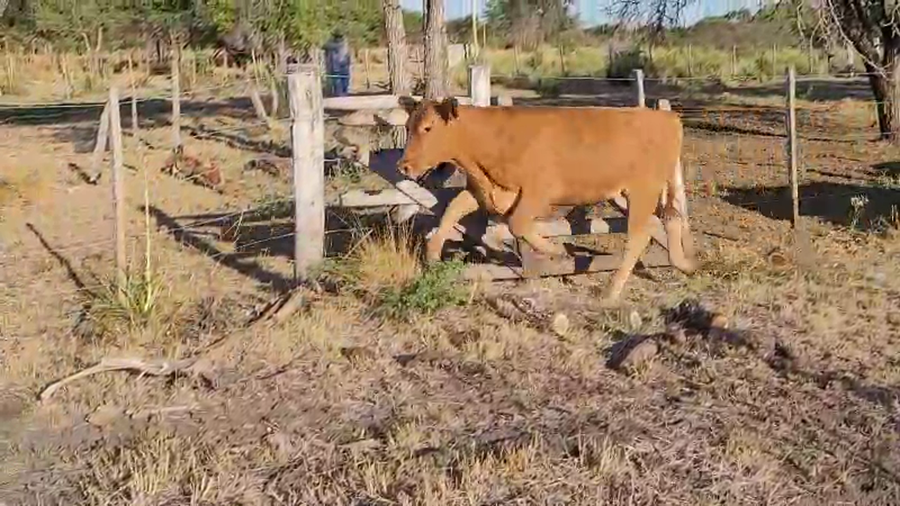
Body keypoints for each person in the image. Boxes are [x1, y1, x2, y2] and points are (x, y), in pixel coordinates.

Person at [323, 30, 351, 97]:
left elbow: (326, 46)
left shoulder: (341, 44)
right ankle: (341, 94)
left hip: (341, 64)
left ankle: (342, 93)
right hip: (339, 64)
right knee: (339, 80)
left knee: (341, 80)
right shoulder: (342, 43)